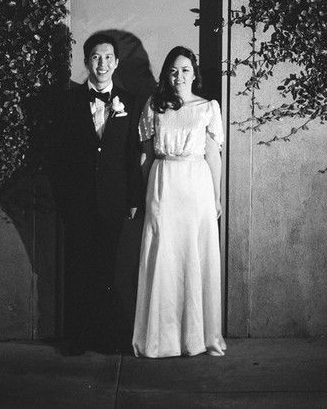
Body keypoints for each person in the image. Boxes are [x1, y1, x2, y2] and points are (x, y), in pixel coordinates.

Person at [49, 33, 142, 354]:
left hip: (113, 201)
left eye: (108, 57)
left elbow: (133, 154)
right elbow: (57, 156)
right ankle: (78, 339)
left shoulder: (130, 102)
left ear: (116, 63)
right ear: (87, 61)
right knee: (78, 268)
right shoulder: (68, 101)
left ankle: (106, 338)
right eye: (96, 57)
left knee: (107, 270)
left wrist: (133, 199)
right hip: (78, 202)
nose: (102, 64)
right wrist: (63, 200)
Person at [132, 46, 227, 358]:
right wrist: (144, 194)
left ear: (194, 73)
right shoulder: (154, 106)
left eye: (185, 70)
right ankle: (162, 340)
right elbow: (146, 155)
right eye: (173, 71)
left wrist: (216, 197)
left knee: (194, 257)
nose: (179, 76)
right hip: (163, 183)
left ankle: (196, 337)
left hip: (196, 187)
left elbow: (213, 155)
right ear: (166, 74)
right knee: (163, 257)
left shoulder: (208, 108)